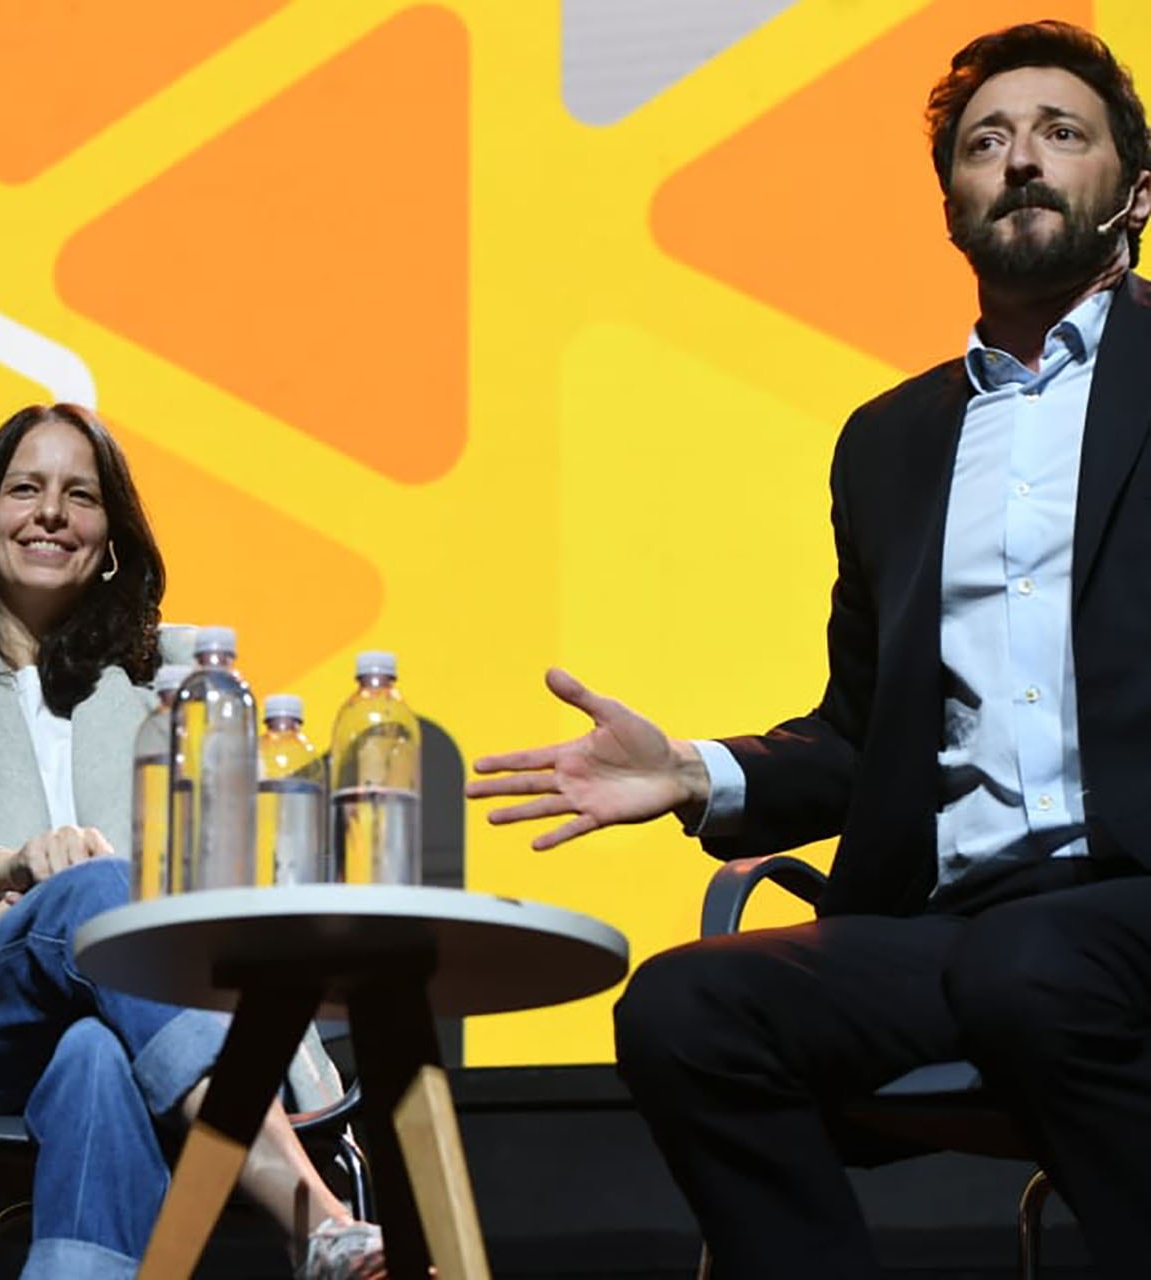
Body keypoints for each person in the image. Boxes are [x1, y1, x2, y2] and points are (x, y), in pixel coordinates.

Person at [466, 20, 1151, 1280]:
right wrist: (694, 771)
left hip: (1129, 904)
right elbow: (862, 732)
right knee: (689, 1005)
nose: (1022, 160)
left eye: (1063, 132)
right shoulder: (889, 441)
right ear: (952, 200)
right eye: (987, 142)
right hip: (961, 927)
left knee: (1034, 966)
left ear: (1137, 191)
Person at [0, 404, 383, 1280]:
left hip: (151, 1013)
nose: (52, 513)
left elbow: (239, 860)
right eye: (25, 489)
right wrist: (9, 869)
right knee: (98, 892)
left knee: (93, 1055)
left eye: (81, 496)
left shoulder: (183, 681)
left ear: (111, 541)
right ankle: (309, 1216)